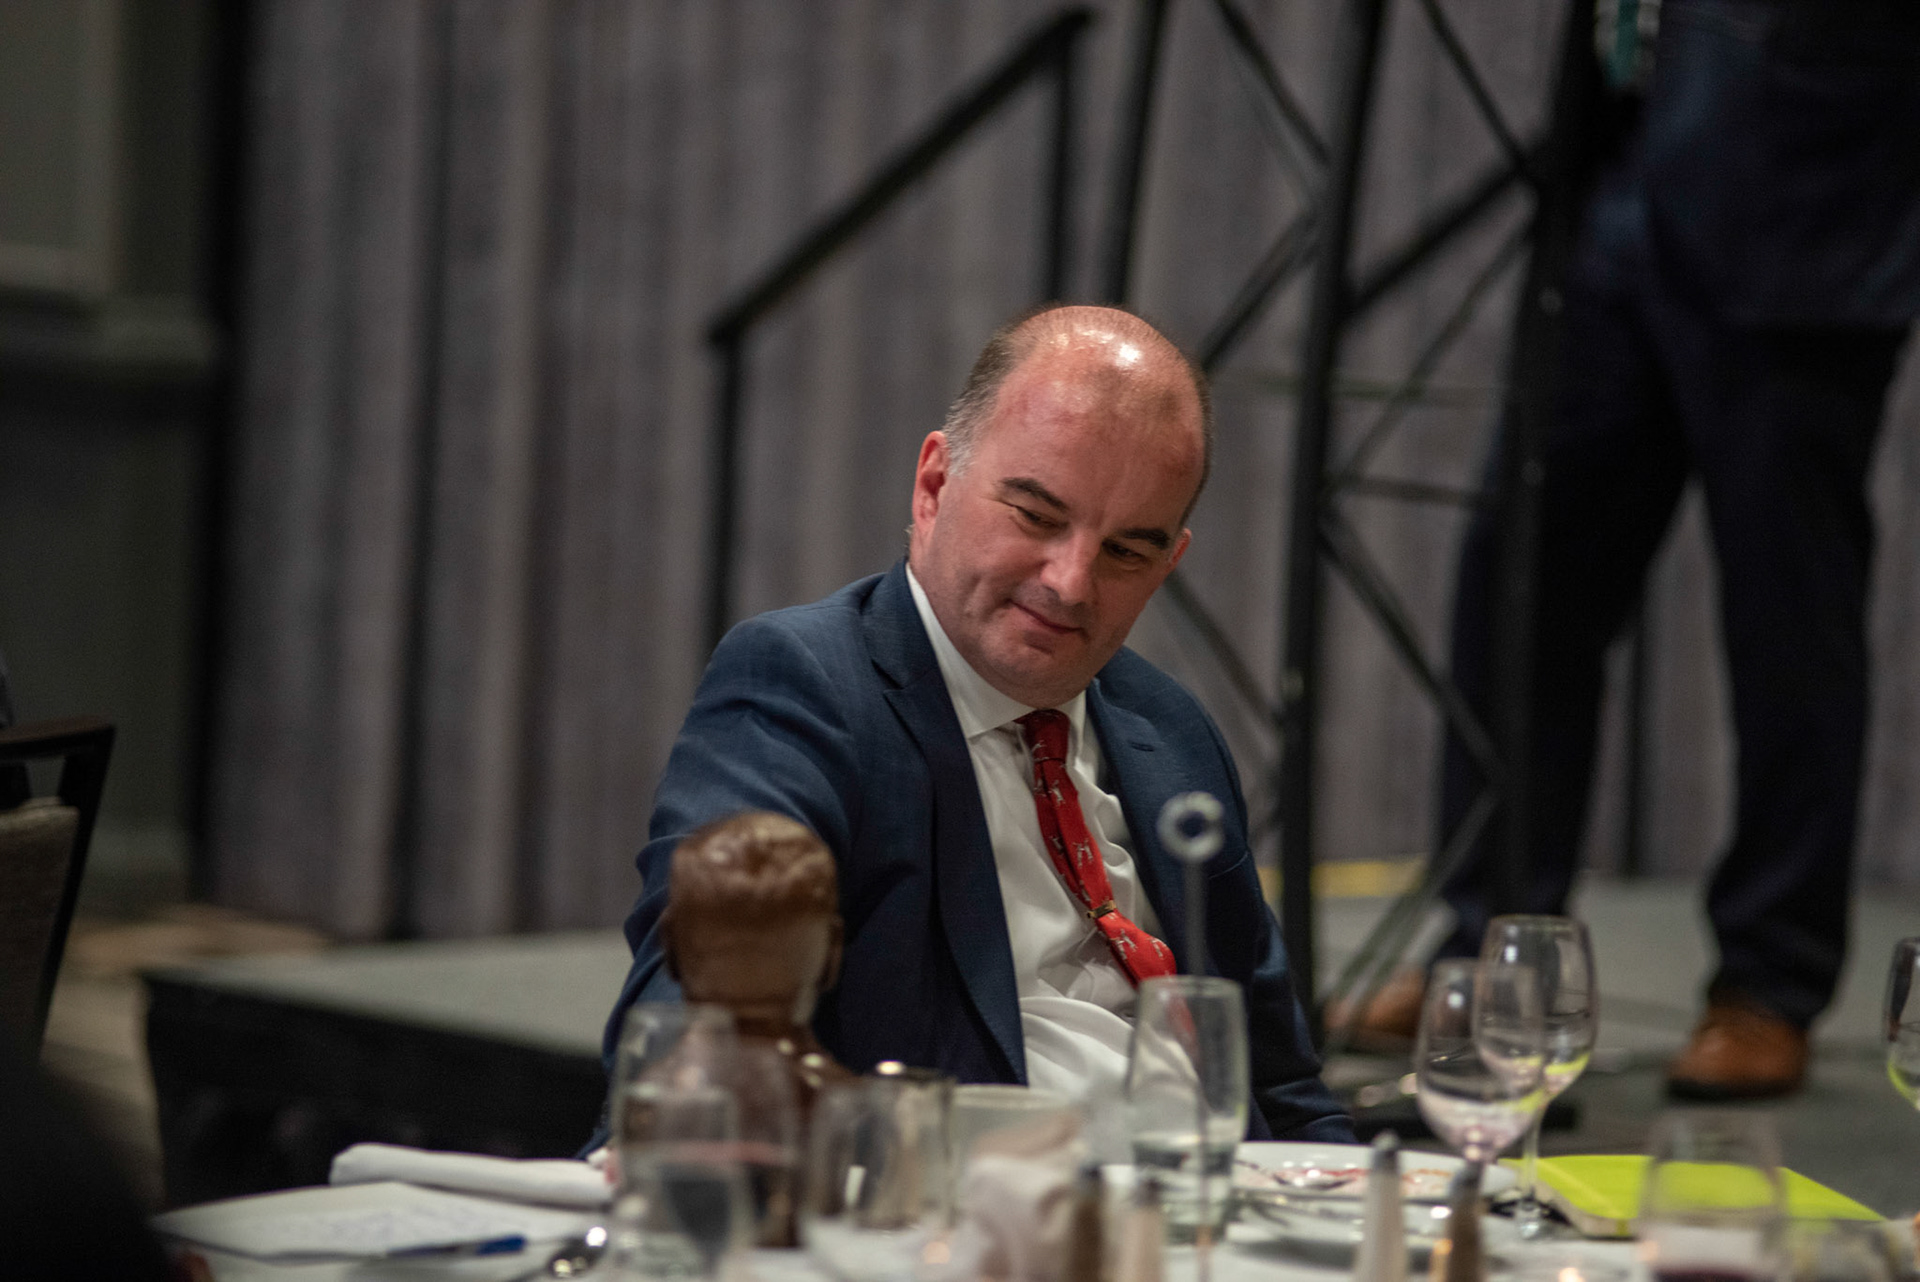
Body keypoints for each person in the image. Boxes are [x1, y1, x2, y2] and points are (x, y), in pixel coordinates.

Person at [603, 304, 1352, 1142]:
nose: (1071, 583)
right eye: (1036, 516)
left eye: (1127, 553)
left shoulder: (1170, 731)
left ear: (1169, 563)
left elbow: (1281, 1087)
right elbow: (701, 1006)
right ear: (934, 486)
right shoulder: (809, 686)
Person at [1352, 0, 1920, 1099]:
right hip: (1623, 159)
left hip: (1804, 178)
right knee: (1521, 578)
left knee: (1785, 610)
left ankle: (1770, 979)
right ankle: (1491, 951)